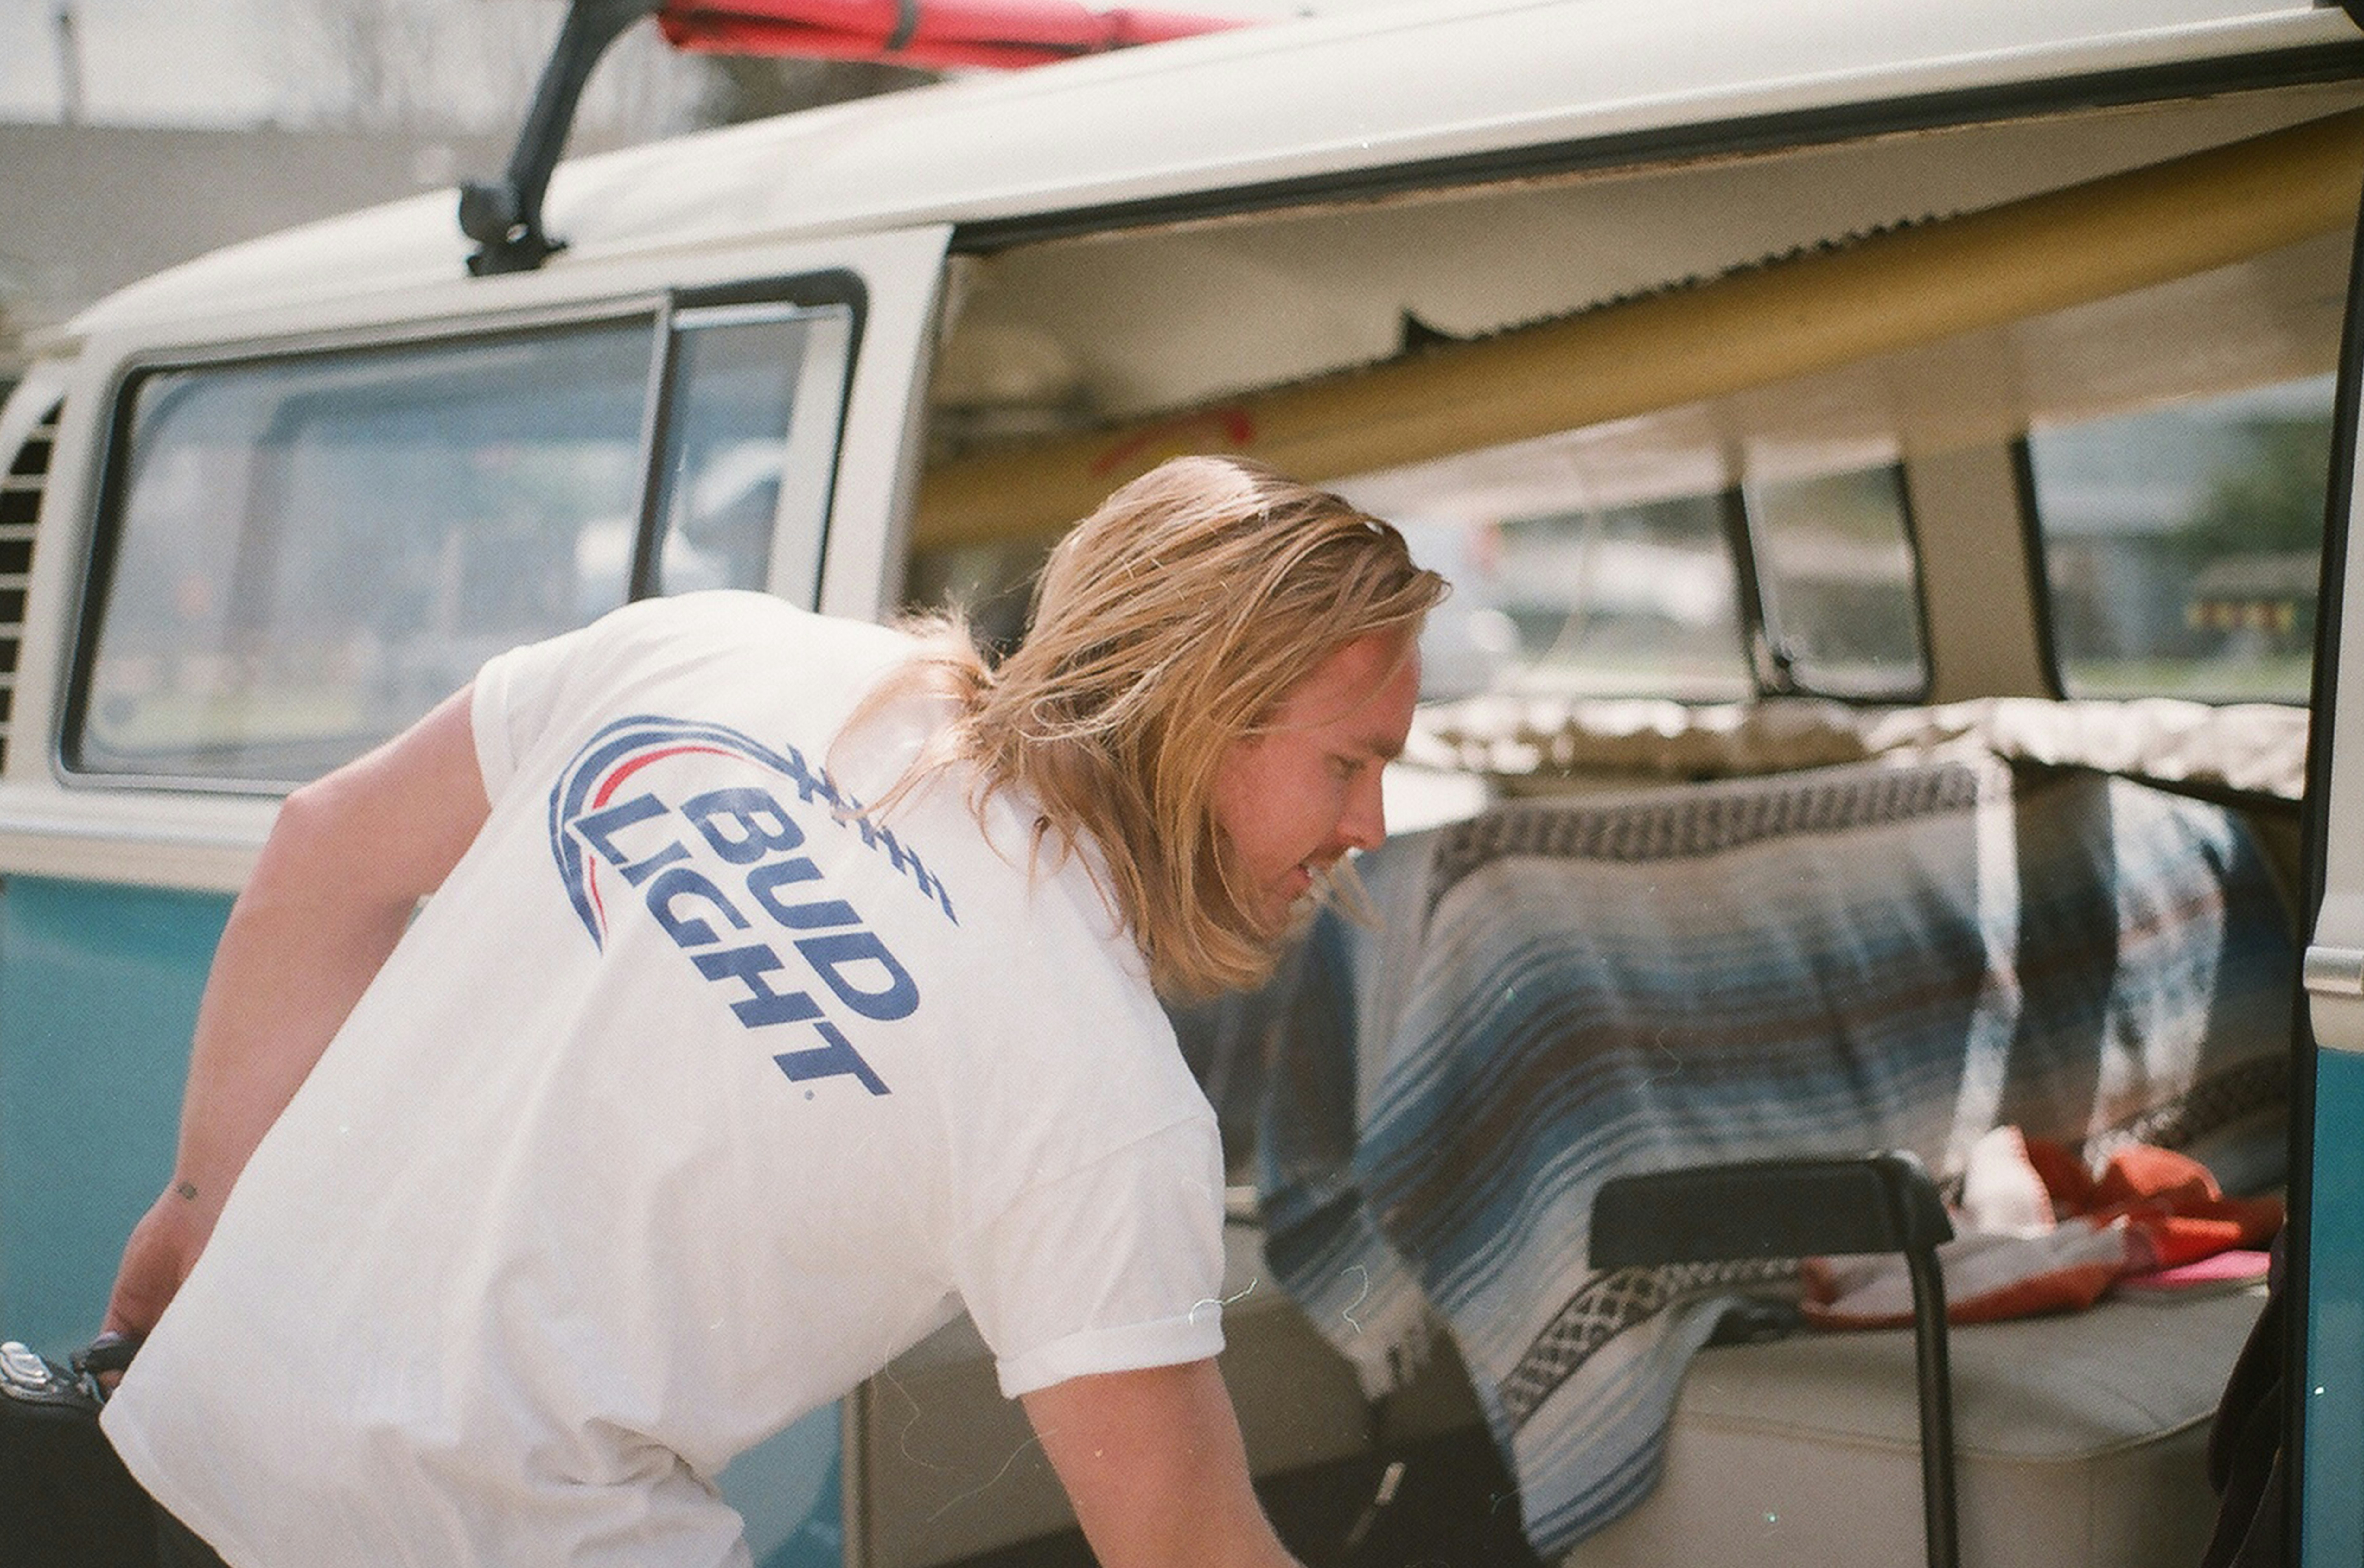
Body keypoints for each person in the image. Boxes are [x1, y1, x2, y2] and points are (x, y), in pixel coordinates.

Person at [96, 454, 1447, 1568]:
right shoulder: (1103, 1100)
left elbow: (326, 842)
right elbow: (1185, 1542)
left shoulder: (710, 646)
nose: (1371, 822)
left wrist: (204, 1200)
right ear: (1201, 713)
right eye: (1351, 760)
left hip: (200, 1447)